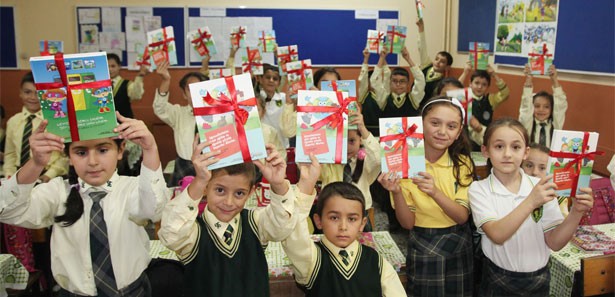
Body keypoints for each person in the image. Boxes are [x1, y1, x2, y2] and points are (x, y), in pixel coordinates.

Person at [0, 113, 170, 296]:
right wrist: (36, 163)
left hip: (132, 291)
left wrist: (150, 148)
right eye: (81, 152)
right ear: (69, 156)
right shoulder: (58, 192)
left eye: (103, 150)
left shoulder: (133, 188)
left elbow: (155, 209)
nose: (93, 162)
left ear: (121, 150)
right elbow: (8, 210)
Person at [158, 140, 320, 297]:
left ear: (250, 193)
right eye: (220, 190)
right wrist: (199, 181)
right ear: (206, 188)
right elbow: (171, 234)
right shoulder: (192, 233)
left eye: (239, 193)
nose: (229, 202)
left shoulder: (255, 222)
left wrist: (278, 185)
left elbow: (283, 225)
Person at [469, 118, 593, 296]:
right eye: (498, 146)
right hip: (498, 278)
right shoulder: (479, 189)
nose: (507, 154)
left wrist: (576, 212)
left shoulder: (541, 186)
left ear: (525, 152)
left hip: (539, 279)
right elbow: (497, 234)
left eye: (516, 147)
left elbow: (554, 242)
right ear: (485, 151)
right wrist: (531, 201)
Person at [379, 96, 475, 296]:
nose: (442, 131)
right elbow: (407, 224)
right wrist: (396, 192)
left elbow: (462, 217)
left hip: (458, 243)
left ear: (458, 133)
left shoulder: (463, 164)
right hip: (423, 243)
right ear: (420, 125)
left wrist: (434, 192)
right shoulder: (403, 166)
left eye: (451, 126)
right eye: (434, 123)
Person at [281, 182, 406, 296]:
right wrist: (306, 184)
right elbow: (293, 231)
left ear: (362, 224)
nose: (343, 227)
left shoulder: (376, 261)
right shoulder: (312, 259)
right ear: (318, 221)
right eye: (334, 218)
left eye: (352, 219)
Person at [318, 111, 380, 231]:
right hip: (332, 216)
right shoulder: (326, 163)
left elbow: (378, 159)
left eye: (352, 141)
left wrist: (362, 128)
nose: (346, 147)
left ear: (360, 140)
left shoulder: (366, 161)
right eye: (340, 141)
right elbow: (310, 171)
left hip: (359, 217)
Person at [153, 61, 207, 187]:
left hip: (212, 165)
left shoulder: (219, 115)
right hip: (185, 166)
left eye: (200, 87)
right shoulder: (178, 113)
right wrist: (166, 80)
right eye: (190, 89)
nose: (195, 92)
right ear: (184, 94)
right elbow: (159, 108)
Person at [459, 63, 510, 149]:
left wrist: (494, 74)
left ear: (488, 87)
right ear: (470, 83)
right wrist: (465, 73)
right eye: (476, 83)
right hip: (465, 141)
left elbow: (505, 93)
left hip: (484, 140)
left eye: (484, 84)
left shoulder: (490, 99)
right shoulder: (464, 97)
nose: (479, 87)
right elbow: (453, 89)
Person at [519, 64, 567, 147]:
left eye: (546, 107)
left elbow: (560, 104)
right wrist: (529, 79)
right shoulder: (527, 124)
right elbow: (526, 105)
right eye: (537, 106)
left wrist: (554, 79)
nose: (541, 110)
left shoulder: (556, 125)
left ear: (552, 109)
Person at [370, 46, 426, 118]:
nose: (398, 84)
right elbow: (374, 81)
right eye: (394, 81)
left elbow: (420, 79)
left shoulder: (414, 98)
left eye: (402, 81)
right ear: (390, 83)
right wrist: (381, 58)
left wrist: (408, 59)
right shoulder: (384, 99)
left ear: (408, 84)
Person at [522, 143, 574, 217]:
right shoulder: (513, 192)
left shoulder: (557, 197)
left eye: (542, 168)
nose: (534, 172)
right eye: (529, 166)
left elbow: (563, 226)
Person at [416, 19, 453, 101]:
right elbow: (422, 48)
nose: (438, 62)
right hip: (413, 105)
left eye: (442, 62)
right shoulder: (426, 65)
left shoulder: (442, 83)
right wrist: (421, 29)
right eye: (436, 59)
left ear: (447, 67)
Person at [255, 63, 289, 148]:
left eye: (275, 79)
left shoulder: (283, 98)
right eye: (267, 77)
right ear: (260, 79)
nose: (271, 80)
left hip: (282, 145)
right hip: (262, 144)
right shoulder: (255, 99)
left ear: (279, 82)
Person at [106, 53, 148, 119]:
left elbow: (137, 95)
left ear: (119, 66)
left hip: (125, 123)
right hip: (106, 123)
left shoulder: (127, 84)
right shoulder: (99, 85)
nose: (110, 69)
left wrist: (140, 77)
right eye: (107, 66)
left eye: (113, 66)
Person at [358, 48, 381, 137]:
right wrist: (366, 59)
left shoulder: (384, 96)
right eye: (371, 81)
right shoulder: (364, 95)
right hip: (366, 131)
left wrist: (382, 57)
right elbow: (363, 78)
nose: (374, 83)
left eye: (377, 80)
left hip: (381, 130)